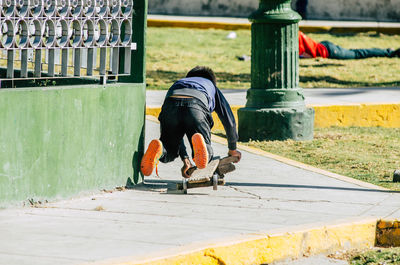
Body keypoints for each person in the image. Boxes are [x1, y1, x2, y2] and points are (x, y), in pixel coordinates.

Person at [140, 66, 242, 178]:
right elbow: (228, 120)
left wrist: (185, 160)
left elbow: (179, 134)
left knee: (170, 150)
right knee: (206, 152)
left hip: (171, 105)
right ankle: (202, 144)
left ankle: (161, 147)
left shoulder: (180, 83)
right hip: (197, 105)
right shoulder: (211, 86)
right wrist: (232, 149)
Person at [299, 31, 400, 59]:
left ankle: (390, 52)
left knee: (357, 53)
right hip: (324, 46)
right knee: (355, 52)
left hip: (328, 51)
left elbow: (306, 54)